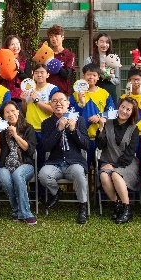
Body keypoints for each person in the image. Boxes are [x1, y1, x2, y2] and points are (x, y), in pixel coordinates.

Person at [39, 91, 91, 224]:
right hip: (55, 162)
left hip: (73, 162)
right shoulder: (47, 123)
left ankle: (82, 206)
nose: (58, 103)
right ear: (50, 104)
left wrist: (73, 130)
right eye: (54, 101)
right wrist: (58, 129)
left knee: (79, 173)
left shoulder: (78, 120)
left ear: (68, 103)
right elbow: (46, 147)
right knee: (43, 174)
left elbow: (86, 145)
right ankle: (56, 192)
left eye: (62, 100)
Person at [95, 96, 141, 224]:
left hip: (127, 164)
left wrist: (115, 167)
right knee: (104, 176)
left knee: (115, 175)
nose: (124, 111)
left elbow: (130, 153)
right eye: (123, 107)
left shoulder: (133, 129)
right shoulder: (108, 123)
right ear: (118, 107)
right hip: (107, 160)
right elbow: (100, 145)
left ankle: (127, 210)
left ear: (132, 112)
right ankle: (117, 206)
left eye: (128, 109)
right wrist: (100, 128)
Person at [0, 101, 38, 225]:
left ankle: (26, 213)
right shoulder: (0, 129)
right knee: (5, 178)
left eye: (13, 111)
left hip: (25, 165)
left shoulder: (28, 128)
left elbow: (29, 150)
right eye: (7, 112)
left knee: (18, 175)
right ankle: (17, 210)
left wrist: (16, 135)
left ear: (18, 112)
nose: (10, 114)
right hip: (5, 165)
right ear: (3, 116)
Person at [69, 63, 115, 167]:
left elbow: (112, 112)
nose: (91, 77)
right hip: (81, 138)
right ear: (83, 76)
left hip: (98, 137)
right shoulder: (76, 94)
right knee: (83, 167)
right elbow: (70, 113)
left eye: (94, 75)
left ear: (98, 77)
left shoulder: (104, 93)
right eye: (88, 74)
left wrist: (99, 116)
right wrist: (80, 103)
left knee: (99, 167)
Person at [21, 64, 56, 173]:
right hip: (30, 129)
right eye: (36, 73)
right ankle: (32, 189)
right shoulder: (28, 87)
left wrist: (37, 100)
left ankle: (43, 189)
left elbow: (53, 110)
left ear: (47, 74)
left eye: (42, 72)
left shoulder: (52, 89)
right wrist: (23, 101)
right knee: (30, 160)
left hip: (45, 130)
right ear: (33, 75)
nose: (39, 75)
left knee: (44, 160)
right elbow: (25, 111)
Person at [85, 32, 119, 103]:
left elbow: (117, 81)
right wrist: (99, 72)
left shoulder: (114, 60)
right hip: (94, 92)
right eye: (101, 42)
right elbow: (86, 78)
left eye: (107, 42)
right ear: (96, 43)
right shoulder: (90, 60)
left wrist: (109, 76)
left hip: (110, 91)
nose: (104, 45)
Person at [0, 34, 31, 104]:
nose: (16, 46)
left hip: (20, 97)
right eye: (12, 44)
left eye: (17, 43)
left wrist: (18, 70)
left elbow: (29, 80)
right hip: (4, 94)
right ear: (7, 47)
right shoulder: (2, 60)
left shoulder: (25, 61)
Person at [46, 24, 76, 95]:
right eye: (51, 37)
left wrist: (53, 63)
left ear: (62, 37)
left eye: (56, 36)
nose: (53, 39)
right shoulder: (47, 54)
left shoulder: (70, 55)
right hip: (47, 92)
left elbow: (67, 75)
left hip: (63, 93)